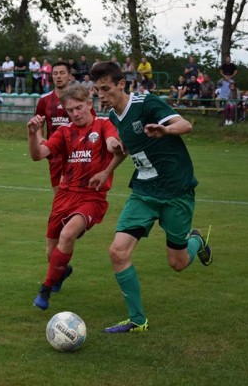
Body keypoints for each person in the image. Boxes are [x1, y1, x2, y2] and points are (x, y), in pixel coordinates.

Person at [89, 61, 212, 333]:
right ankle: (137, 320)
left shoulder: (146, 104)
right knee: (117, 252)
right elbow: (128, 149)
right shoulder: (114, 117)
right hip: (144, 192)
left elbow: (185, 124)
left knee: (178, 263)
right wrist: (106, 171)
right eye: (97, 90)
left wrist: (166, 130)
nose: (101, 95)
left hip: (175, 190)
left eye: (106, 88)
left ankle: (196, 241)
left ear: (122, 84)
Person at [29, 84, 124, 310]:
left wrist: (113, 145)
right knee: (52, 253)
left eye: (79, 108)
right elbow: (38, 155)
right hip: (64, 196)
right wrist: (32, 134)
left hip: (92, 197)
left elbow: (112, 141)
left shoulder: (103, 125)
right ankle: (62, 270)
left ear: (89, 104)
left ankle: (45, 290)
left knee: (68, 234)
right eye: (70, 110)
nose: (75, 113)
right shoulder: (64, 132)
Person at [34, 61, 95, 193]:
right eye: (55, 73)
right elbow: (38, 124)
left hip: (78, 153)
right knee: (59, 195)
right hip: (55, 154)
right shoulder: (44, 100)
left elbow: (92, 122)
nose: (58, 76)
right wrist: (39, 138)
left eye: (62, 73)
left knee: (80, 193)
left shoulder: (79, 99)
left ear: (69, 76)